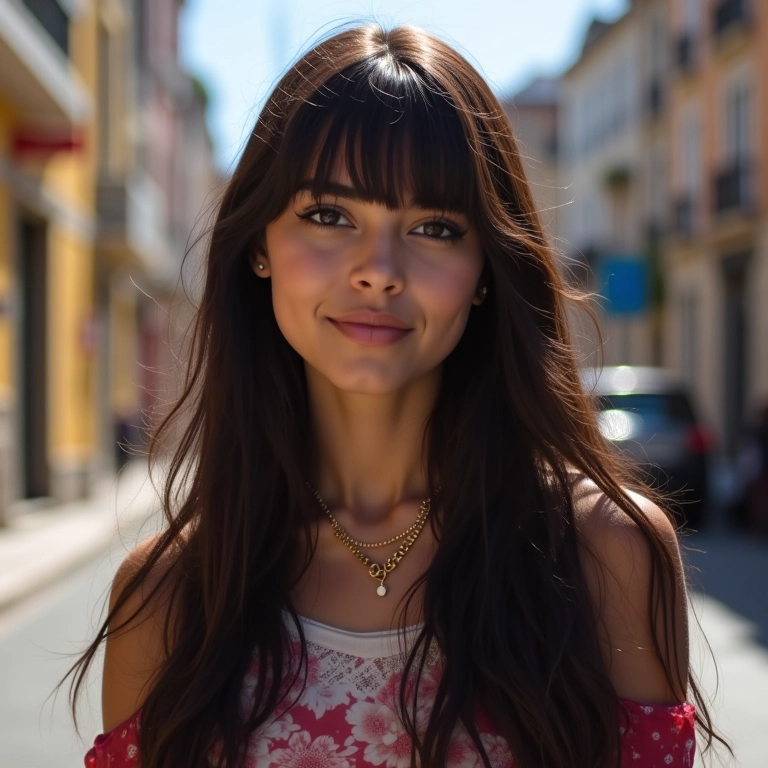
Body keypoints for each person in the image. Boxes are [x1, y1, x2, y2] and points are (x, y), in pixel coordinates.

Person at [69, 24, 723, 768]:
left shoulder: (604, 551)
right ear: (258, 246)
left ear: (484, 271)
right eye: (328, 215)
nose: (378, 270)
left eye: (435, 227)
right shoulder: (166, 596)